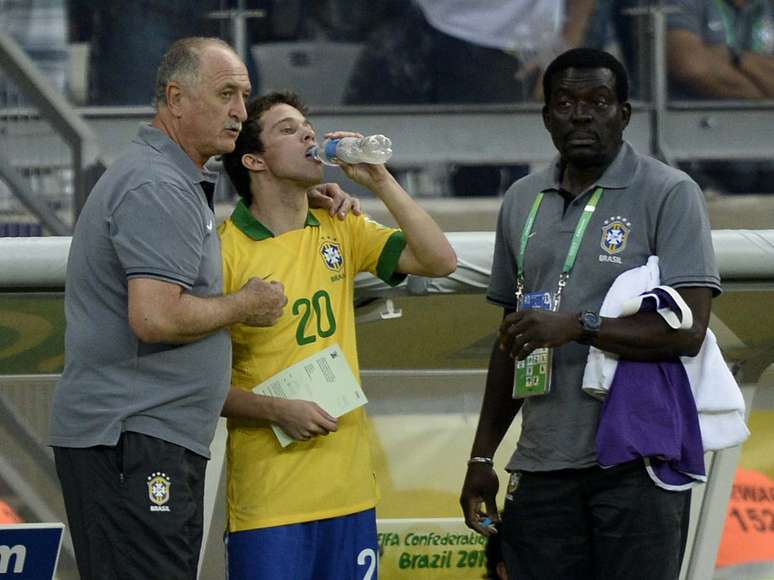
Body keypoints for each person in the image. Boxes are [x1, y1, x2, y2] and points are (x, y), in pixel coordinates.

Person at [48, 37, 357, 580]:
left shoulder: (174, 180)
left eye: (243, 95)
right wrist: (244, 303)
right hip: (135, 436)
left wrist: (296, 196)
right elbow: (155, 318)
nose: (240, 111)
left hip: (149, 437)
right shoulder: (157, 185)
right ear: (176, 99)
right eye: (226, 94)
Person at [459, 48, 721, 580]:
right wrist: (482, 457)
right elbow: (512, 339)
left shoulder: (669, 193)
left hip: (637, 464)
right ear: (547, 115)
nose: (581, 114)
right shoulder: (521, 199)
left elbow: (689, 329)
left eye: (598, 101)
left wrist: (579, 326)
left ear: (623, 114)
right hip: (542, 463)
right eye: (565, 102)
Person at [218, 91, 457, 580]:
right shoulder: (225, 252)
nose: (308, 133)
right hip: (270, 502)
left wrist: (379, 179)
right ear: (253, 160)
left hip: (350, 493)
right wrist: (277, 410)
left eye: (307, 125)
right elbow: (196, 386)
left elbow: (440, 261)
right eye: (287, 129)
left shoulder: (339, 225)